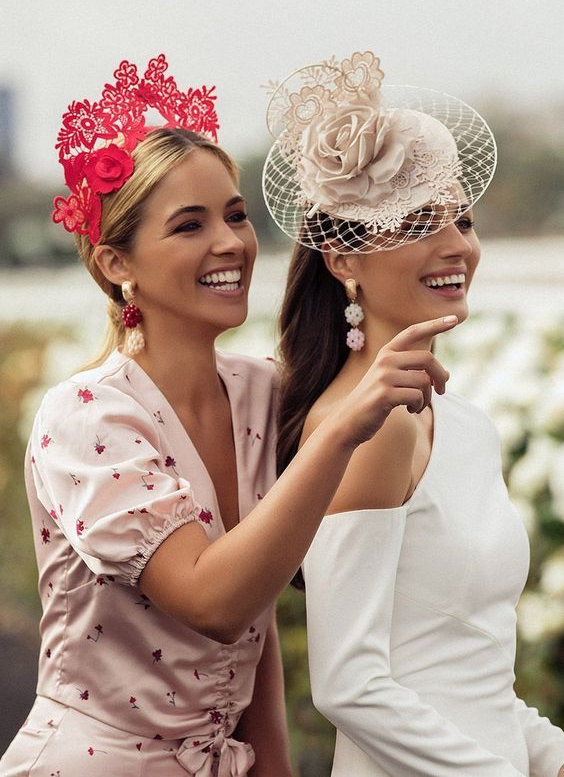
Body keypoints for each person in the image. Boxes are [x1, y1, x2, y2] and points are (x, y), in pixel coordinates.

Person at [0, 54, 456, 777]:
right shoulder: (83, 417)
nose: (229, 243)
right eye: (189, 225)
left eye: (236, 215)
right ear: (117, 262)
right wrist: (339, 432)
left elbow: (258, 611)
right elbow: (213, 598)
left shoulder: (260, 391)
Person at [265, 50, 564, 776]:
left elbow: (474, 678)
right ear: (342, 258)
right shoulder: (364, 432)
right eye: (419, 222)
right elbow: (350, 685)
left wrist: (547, 751)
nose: (457, 245)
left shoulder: (461, 422)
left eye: (462, 218)